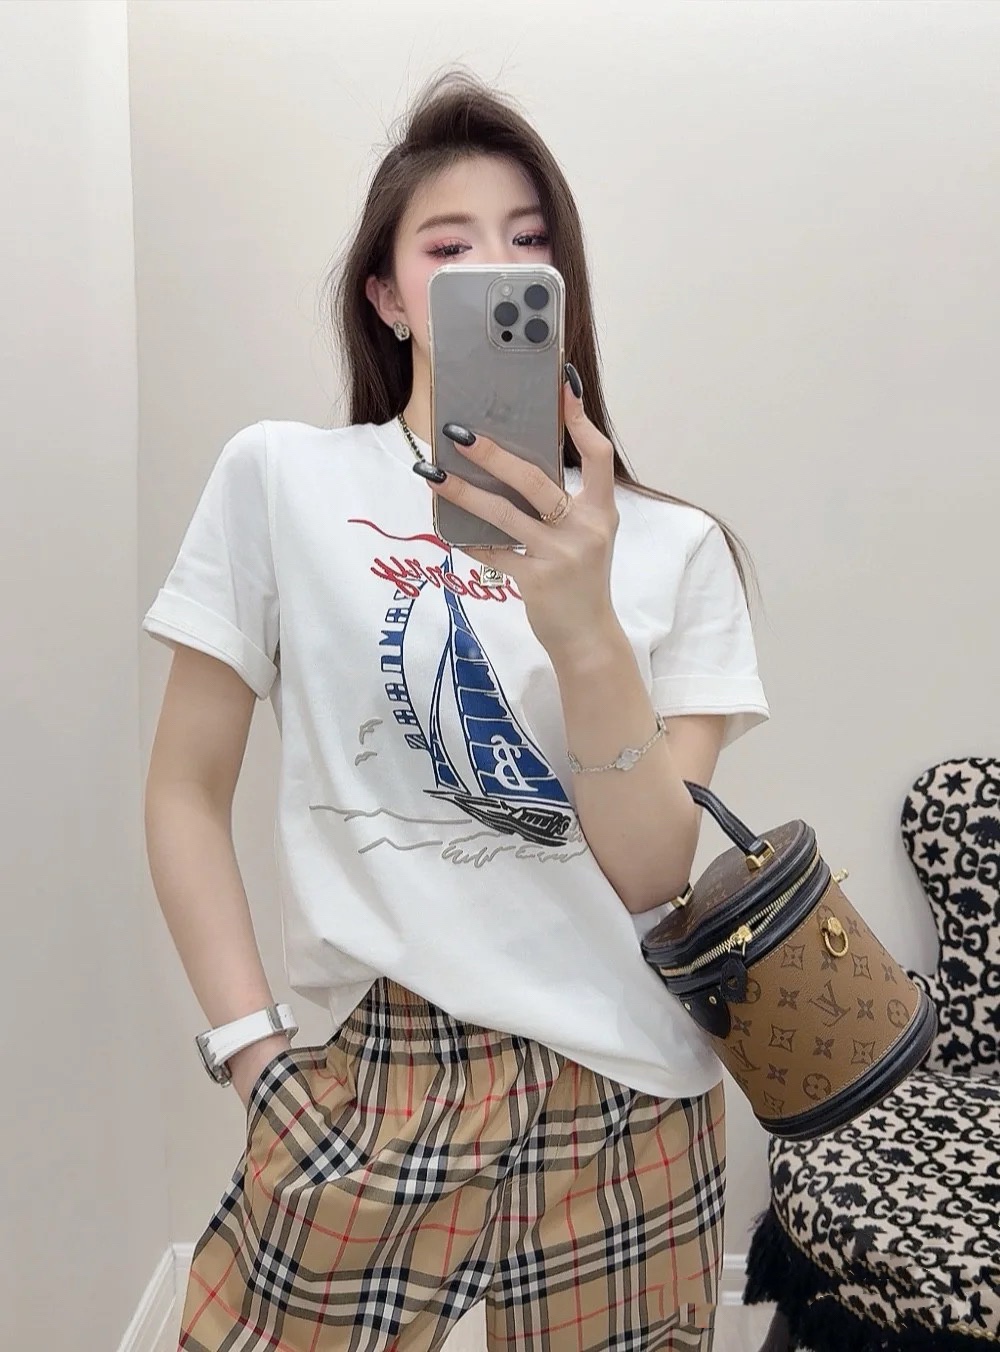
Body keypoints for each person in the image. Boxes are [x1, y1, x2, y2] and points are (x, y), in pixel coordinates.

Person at [143, 69, 769, 1352]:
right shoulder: (281, 479)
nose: (497, 266)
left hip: (627, 1096)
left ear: (560, 284)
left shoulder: (674, 545)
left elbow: (658, 873)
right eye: (449, 245)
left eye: (529, 241)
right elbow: (183, 789)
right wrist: (253, 1054)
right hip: (372, 1072)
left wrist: (582, 620)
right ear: (386, 293)